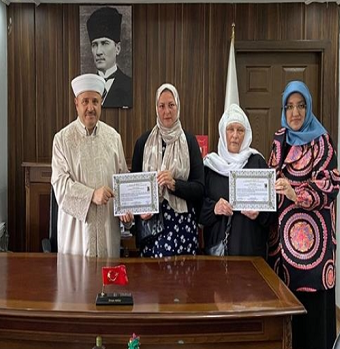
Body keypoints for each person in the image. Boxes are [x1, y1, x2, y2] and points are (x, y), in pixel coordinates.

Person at [268, 80, 340, 349]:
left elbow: (331, 185)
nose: (295, 112)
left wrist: (296, 193)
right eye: (289, 106)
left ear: (308, 107)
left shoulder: (322, 141)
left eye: (300, 106)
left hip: (313, 252)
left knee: (311, 320)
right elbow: (270, 178)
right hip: (282, 250)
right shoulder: (279, 138)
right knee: (288, 318)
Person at [51, 73, 131, 257]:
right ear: (76, 104)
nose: (90, 108)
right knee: (76, 275)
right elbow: (60, 186)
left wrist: (127, 211)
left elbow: (123, 181)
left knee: (107, 274)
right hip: (76, 235)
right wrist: (92, 195)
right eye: (85, 101)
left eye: (95, 101)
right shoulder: (62, 140)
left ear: (101, 103)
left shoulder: (113, 138)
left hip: (107, 231)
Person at [131, 83, 204, 257]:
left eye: (171, 105)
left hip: (183, 227)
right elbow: (134, 190)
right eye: (162, 106)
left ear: (178, 106)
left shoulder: (189, 142)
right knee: (152, 274)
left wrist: (174, 184)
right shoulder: (143, 142)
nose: (167, 111)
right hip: (152, 227)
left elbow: (200, 189)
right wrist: (140, 213)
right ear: (156, 108)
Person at [200, 103, 272, 257]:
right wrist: (214, 208)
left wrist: (259, 213)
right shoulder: (210, 166)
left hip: (251, 253)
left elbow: (271, 214)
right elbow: (198, 210)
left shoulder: (257, 163)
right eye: (230, 129)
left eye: (240, 130)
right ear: (222, 132)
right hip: (218, 253)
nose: (235, 135)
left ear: (246, 134)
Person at [86, 6, 132, 108]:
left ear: (117, 48)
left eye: (104, 43)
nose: (98, 52)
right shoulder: (86, 87)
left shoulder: (129, 86)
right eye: (94, 45)